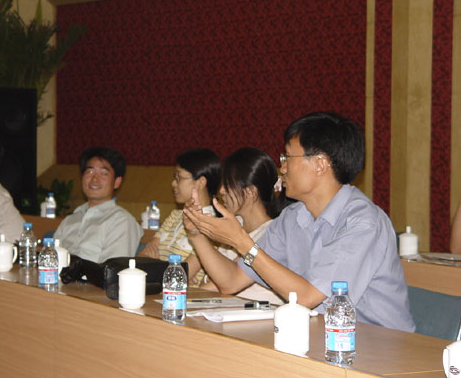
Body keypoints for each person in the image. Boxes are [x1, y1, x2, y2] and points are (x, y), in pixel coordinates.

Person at [184, 112, 415, 332]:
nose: (282, 168)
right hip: (318, 336)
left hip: (379, 344)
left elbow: (307, 297)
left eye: (287, 158)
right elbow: (231, 281)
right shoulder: (292, 218)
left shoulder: (363, 223)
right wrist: (197, 234)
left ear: (319, 164)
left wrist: (242, 242)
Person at [201, 147, 289, 304]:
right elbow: (207, 282)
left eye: (228, 185)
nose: (221, 191)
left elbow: (216, 286)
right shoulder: (235, 224)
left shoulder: (272, 232)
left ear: (250, 192)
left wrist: (196, 235)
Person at [138, 148, 221, 286]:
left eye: (179, 178)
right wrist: (172, 272)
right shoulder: (174, 216)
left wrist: (155, 265)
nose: (173, 183)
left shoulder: (214, 225)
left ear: (201, 182)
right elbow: (140, 261)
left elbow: (178, 277)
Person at [54, 147, 142, 263]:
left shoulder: (122, 221)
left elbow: (111, 269)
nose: (94, 179)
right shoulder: (70, 220)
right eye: (89, 172)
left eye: (103, 173)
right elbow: (51, 258)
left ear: (116, 182)